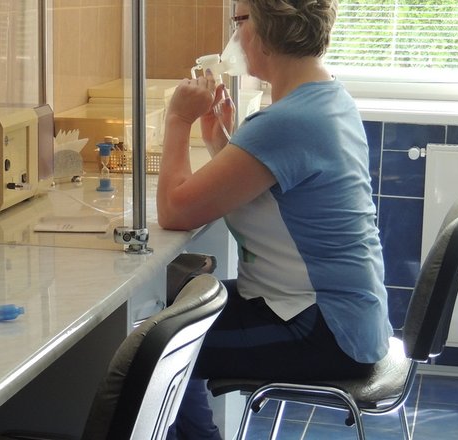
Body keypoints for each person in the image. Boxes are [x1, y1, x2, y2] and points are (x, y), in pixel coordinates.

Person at [156, 0, 393, 438]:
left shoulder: (287, 121)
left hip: (324, 329)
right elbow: (271, 191)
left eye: (239, 21)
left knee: (156, 349)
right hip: (348, 315)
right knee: (164, 316)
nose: (235, 35)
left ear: (267, 28)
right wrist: (222, 141)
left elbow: (174, 211)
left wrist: (177, 119)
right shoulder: (327, 98)